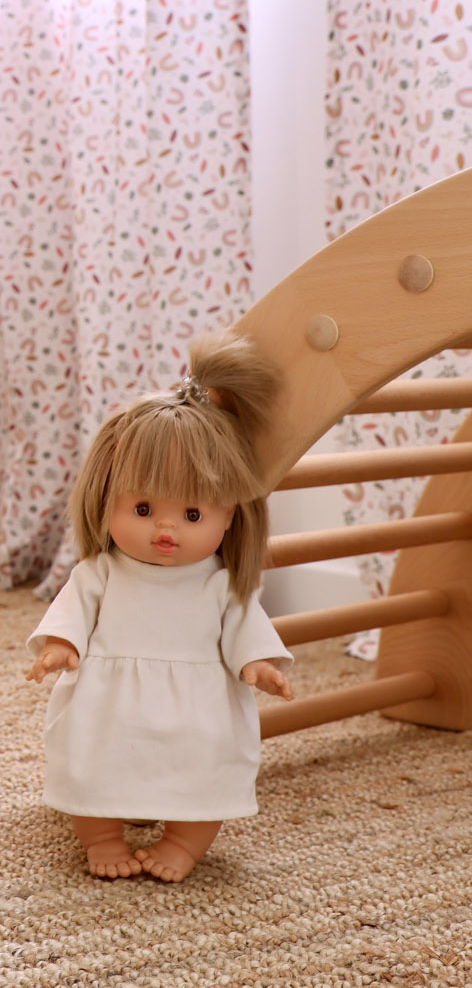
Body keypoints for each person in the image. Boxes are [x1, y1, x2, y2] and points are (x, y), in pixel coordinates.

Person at [26, 335, 296, 882]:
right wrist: (60, 645)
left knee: (207, 770)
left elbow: (245, 630)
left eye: (192, 515)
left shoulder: (221, 585)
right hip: (108, 703)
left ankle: (183, 843)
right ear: (107, 500)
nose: (166, 528)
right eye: (144, 508)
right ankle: (101, 836)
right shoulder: (101, 572)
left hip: (199, 710)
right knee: (90, 760)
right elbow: (73, 613)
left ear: (229, 517)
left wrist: (257, 664)